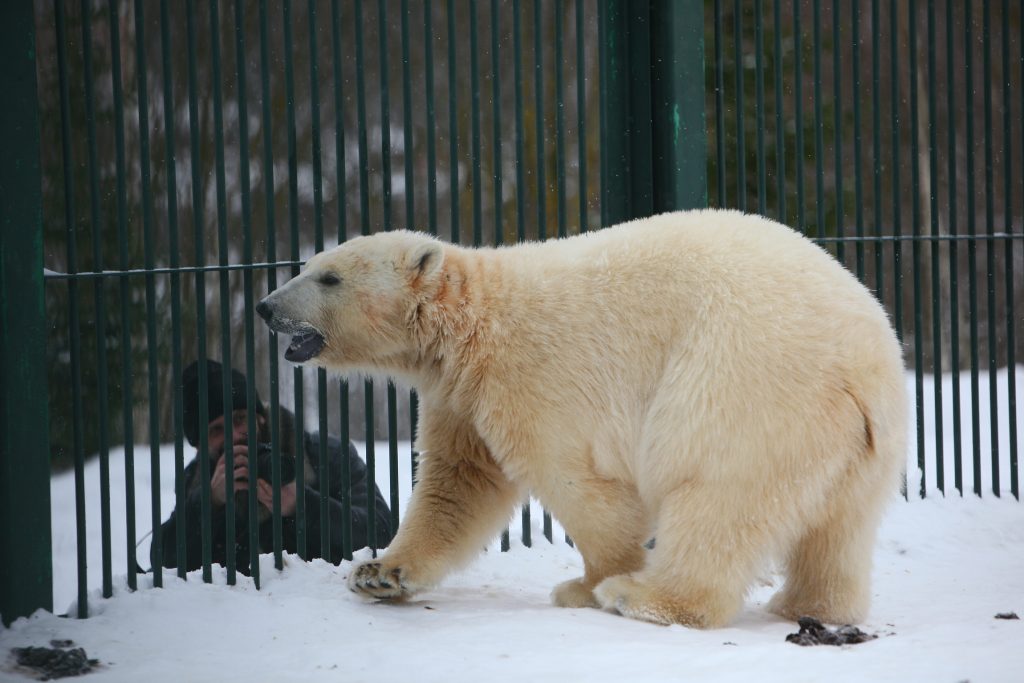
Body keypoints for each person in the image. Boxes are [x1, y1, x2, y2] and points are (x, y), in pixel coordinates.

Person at [151, 359, 393, 574]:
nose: (234, 436)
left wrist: (302, 504)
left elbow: (383, 533)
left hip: (322, 610)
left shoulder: (323, 455)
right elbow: (164, 562)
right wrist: (209, 502)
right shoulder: (198, 478)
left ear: (260, 416)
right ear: (199, 447)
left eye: (239, 419)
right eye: (216, 430)